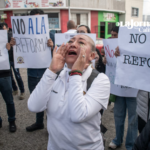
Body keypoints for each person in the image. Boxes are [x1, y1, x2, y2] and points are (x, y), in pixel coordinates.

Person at [28, 34, 110, 150]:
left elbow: (78, 115)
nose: (73, 44)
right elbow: (33, 106)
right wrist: (51, 70)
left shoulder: (100, 80)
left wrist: (76, 73)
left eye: (81, 43)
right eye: (70, 41)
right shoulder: (56, 76)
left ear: (92, 55)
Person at [10, 9, 54, 132]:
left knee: (51, 101)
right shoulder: (21, 35)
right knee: (36, 98)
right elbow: (15, 53)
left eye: (39, 18)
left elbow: (59, 53)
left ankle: (52, 126)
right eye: (34, 18)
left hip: (47, 74)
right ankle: (39, 123)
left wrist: (52, 46)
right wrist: (13, 45)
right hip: (31, 74)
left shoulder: (50, 35)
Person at [108, 43, 138, 150]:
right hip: (120, 89)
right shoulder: (117, 47)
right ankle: (118, 139)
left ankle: (130, 145)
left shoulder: (141, 48)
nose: (112, 37)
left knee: (133, 120)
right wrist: (111, 58)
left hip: (134, 90)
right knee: (118, 116)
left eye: (114, 35)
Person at [2, 23, 25, 100]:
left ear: (8, 28)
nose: (3, 30)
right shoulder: (1, 37)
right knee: (10, 76)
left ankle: (22, 91)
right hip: (5, 60)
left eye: (4, 28)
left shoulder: (13, 35)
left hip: (14, 59)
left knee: (17, 75)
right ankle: (15, 89)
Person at [0, 42, 17, 132]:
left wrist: (9, 50)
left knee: (9, 100)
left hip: (4, 74)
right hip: (4, 75)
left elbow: (13, 60)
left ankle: (12, 120)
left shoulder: (4, 38)